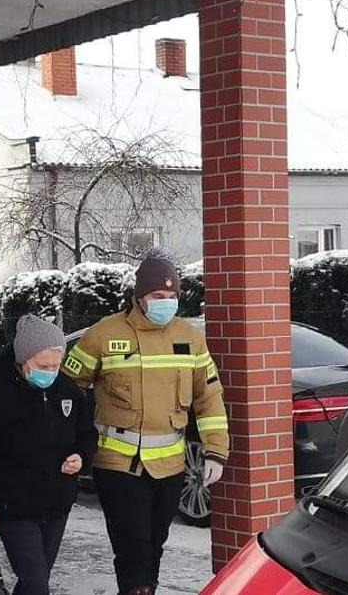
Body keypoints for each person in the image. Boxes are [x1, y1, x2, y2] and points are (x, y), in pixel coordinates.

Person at [62, 250, 228, 595]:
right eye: (157, 296)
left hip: (170, 466)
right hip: (119, 466)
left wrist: (215, 452)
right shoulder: (102, 334)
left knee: (154, 544)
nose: (164, 303)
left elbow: (208, 397)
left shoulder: (190, 338)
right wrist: (73, 444)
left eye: (171, 297)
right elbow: (67, 390)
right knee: (133, 548)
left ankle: (144, 588)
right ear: (139, 297)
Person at [0, 314, 96, 595]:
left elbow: (86, 434)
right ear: (23, 360)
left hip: (56, 503)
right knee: (36, 583)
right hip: (12, 506)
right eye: (43, 366)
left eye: (56, 365)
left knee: (35, 580)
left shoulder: (67, 390)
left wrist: (80, 456)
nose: (50, 372)